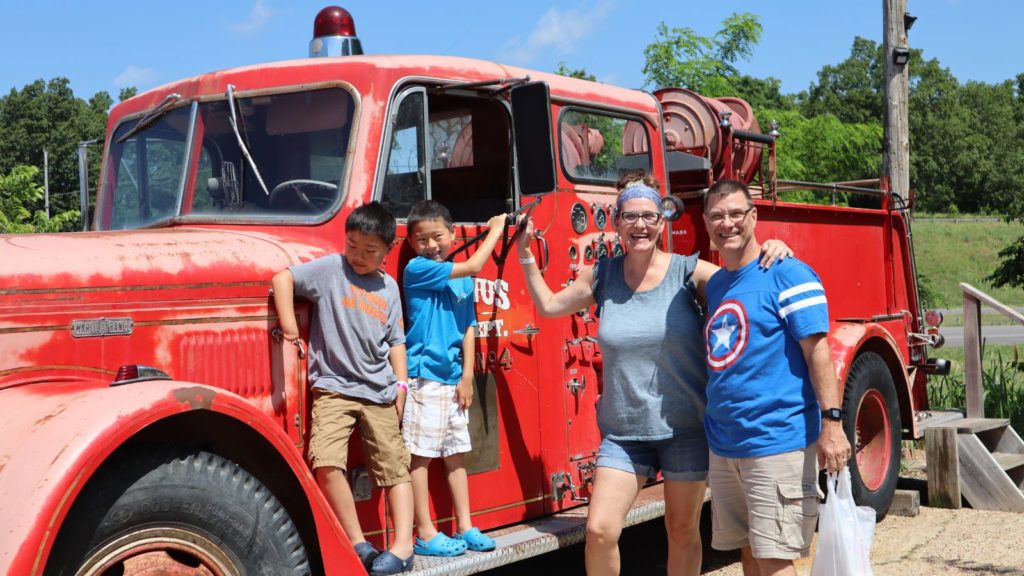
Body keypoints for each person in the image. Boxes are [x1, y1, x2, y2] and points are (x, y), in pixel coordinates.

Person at [515, 172, 791, 576]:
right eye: (630, 216)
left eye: (648, 216)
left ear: (661, 222)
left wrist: (771, 247)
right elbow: (550, 305)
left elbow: (742, 281)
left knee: (681, 530)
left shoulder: (689, 272)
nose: (639, 225)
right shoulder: (602, 275)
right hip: (624, 433)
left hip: (685, 428)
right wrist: (525, 252)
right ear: (617, 222)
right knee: (600, 531)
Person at [700, 179, 853, 576]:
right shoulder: (717, 284)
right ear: (705, 223)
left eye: (736, 213)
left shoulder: (788, 273)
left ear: (754, 217)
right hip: (726, 444)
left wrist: (832, 425)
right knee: (749, 553)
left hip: (775, 440)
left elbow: (818, 351)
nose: (727, 223)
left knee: (775, 558)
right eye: (717, 216)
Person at [272, 201, 415, 575]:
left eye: (370, 251)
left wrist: (401, 385)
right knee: (325, 462)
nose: (358, 256)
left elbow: (396, 341)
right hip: (334, 389)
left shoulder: (388, 288)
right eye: (352, 245)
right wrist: (289, 329)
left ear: (388, 250)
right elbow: (283, 278)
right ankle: (357, 543)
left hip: (380, 390)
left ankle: (403, 546)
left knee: (395, 468)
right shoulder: (331, 269)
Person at [401, 200, 504, 557]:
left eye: (438, 237)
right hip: (424, 376)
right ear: (412, 244)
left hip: (450, 378)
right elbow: (477, 262)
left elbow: (469, 327)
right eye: (422, 239)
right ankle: (425, 533)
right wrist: (496, 229)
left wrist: (466, 376)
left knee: (455, 454)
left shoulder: (461, 279)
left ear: (453, 234)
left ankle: (465, 525)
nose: (431, 245)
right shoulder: (417, 269)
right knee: (420, 456)